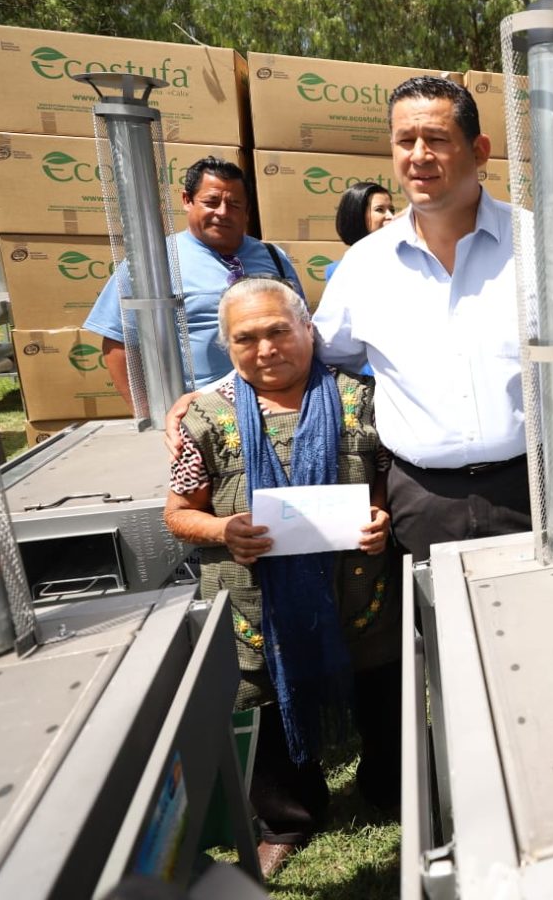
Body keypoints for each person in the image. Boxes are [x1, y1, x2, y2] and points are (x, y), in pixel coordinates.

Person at [163, 277, 395, 879]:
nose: (265, 349)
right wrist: (223, 530)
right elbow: (178, 512)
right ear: (227, 347)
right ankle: (287, 816)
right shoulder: (206, 419)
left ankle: (390, 785)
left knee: (380, 690)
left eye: (278, 331)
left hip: (356, 594)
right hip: (256, 605)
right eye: (246, 339)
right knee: (263, 702)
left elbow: (385, 479)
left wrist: (379, 516)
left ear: (308, 330)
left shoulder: (360, 400)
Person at [312, 76, 530, 559]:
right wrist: (214, 396)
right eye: (404, 140)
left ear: (479, 150)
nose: (418, 155)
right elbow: (314, 355)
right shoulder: (365, 265)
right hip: (420, 499)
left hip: (531, 489)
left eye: (436, 139)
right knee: (430, 607)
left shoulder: (536, 245)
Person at [84, 157, 302, 406]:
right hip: (202, 410)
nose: (222, 212)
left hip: (277, 405)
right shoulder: (153, 262)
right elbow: (120, 343)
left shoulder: (274, 257)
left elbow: (302, 328)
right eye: (211, 202)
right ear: (187, 200)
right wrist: (147, 413)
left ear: (247, 210)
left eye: (234, 204)